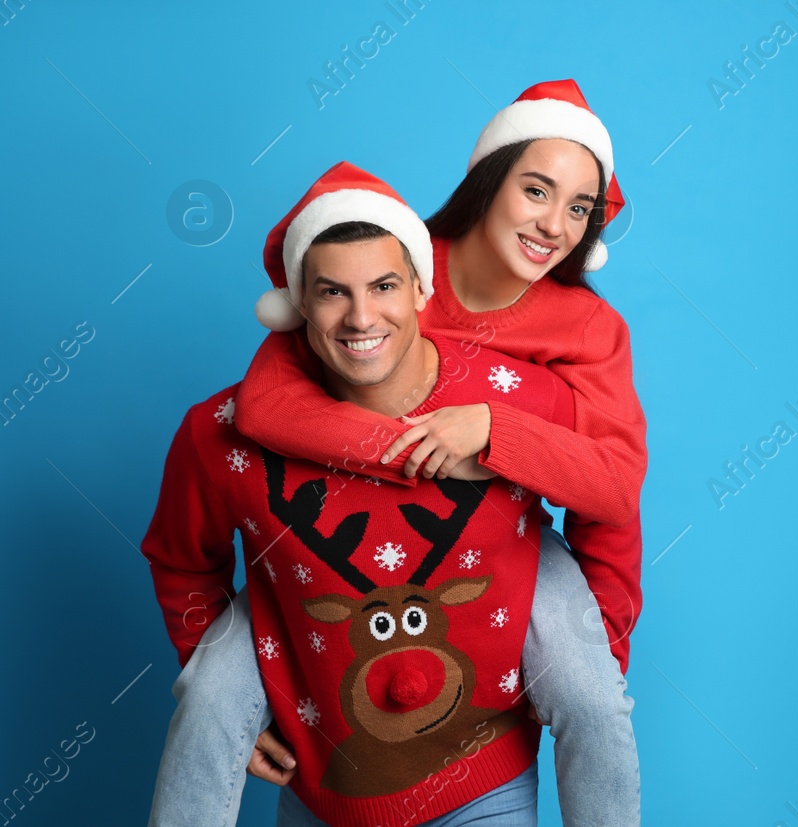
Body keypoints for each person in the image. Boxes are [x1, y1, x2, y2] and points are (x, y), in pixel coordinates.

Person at [234, 79, 645, 825]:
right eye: (536, 190)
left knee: (594, 698)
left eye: (579, 208)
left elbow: (612, 492)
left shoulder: (590, 329)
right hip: (342, 551)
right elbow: (262, 405)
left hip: (503, 541)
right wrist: (404, 450)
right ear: (490, 182)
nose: (554, 223)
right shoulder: (393, 268)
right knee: (208, 696)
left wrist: (493, 430)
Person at [143, 162, 586, 824]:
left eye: (383, 285)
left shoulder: (523, 403)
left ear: (419, 289)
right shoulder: (217, 435)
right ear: (299, 302)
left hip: (481, 781)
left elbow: (605, 498)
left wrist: (596, 643)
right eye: (331, 292)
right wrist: (223, 698)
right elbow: (181, 560)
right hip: (324, 789)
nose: (360, 316)